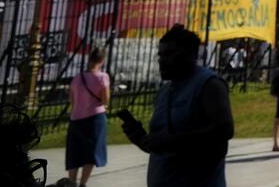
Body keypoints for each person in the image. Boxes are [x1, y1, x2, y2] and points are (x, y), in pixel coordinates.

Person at [116, 25, 233, 187]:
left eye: (169, 54)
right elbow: (162, 147)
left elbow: (223, 130)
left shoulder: (209, 84)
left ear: (190, 54)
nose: (162, 60)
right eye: (160, 55)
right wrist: (142, 139)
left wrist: (169, 141)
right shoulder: (164, 91)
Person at [64, 47, 110, 186]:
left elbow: (71, 99)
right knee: (90, 153)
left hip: (76, 119)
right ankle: (83, 183)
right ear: (102, 61)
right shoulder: (102, 77)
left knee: (74, 152)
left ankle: (72, 182)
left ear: (89, 59)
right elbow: (105, 99)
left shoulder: (77, 78)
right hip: (94, 119)